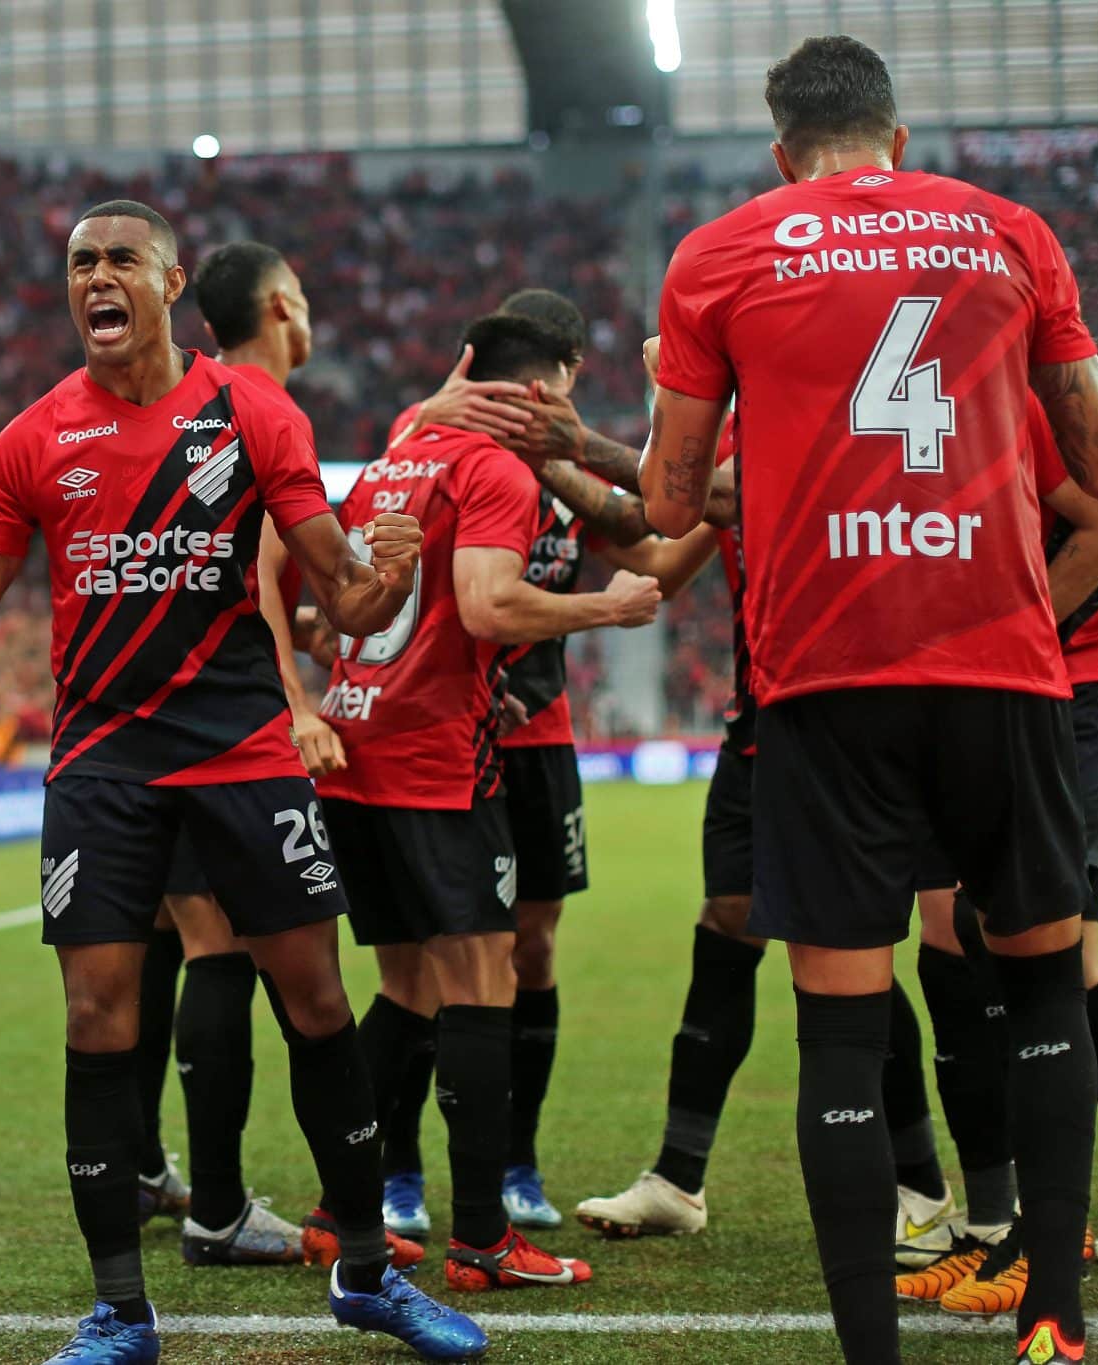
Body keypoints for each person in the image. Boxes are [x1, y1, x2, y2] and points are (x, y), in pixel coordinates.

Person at [0, 200, 486, 1365]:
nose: (95, 279)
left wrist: (388, 573)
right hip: (104, 762)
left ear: (168, 282)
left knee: (313, 998)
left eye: (118, 262)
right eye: (78, 264)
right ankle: (117, 1313)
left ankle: (364, 1275)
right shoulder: (33, 439)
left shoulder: (251, 410)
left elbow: (340, 604)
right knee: (97, 1015)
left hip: (244, 749)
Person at [639, 36, 1098, 1365]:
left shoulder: (720, 253)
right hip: (1003, 666)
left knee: (844, 1027)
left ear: (780, 149)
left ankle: (872, 1352)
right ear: (897, 140)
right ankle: (1056, 1324)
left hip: (825, 676)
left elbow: (671, 505)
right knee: (1040, 985)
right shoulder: (1010, 234)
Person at [314, 311, 660, 1294]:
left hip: (354, 742)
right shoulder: (493, 473)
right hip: (433, 759)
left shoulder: (392, 461)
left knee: (401, 991)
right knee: (481, 980)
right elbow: (486, 606)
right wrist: (609, 606)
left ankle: (343, 1211)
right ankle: (481, 1240)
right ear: (542, 391)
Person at [367, 292, 718, 1242]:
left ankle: (514, 1159)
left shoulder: (559, 476)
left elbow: (649, 543)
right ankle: (398, 1170)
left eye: (556, 390)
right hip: (439, 739)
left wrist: (731, 504)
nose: (542, 404)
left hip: (536, 740)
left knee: (530, 949)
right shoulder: (428, 441)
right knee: (427, 965)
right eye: (536, 386)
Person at [897, 400, 1098, 1313]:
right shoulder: (955, 400)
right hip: (1003, 698)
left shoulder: (1021, 402)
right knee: (1047, 957)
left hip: (1081, 694)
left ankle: (1036, 1233)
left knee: (994, 924)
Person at [135, 239, 367, 1269]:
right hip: (224, 728)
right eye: (307, 295)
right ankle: (220, 1207)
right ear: (280, 305)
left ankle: (168, 1176)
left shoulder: (181, 401)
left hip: (146, 718)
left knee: (185, 947)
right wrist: (296, 700)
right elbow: (263, 582)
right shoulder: (258, 408)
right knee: (231, 954)